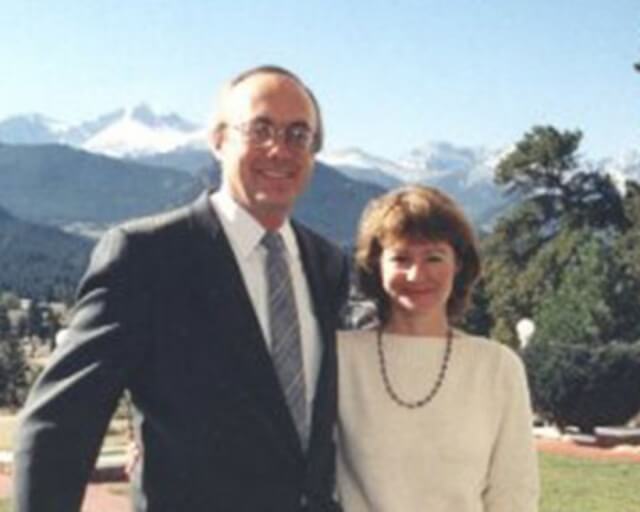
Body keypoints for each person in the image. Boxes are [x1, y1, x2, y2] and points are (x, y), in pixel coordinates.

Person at [13, 65, 349, 512]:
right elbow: (59, 423)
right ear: (218, 140)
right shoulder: (147, 256)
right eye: (260, 128)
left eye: (297, 135)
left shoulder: (327, 264)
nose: (279, 149)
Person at [336, 185, 539, 511]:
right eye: (401, 258)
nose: (417, 274)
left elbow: (513, 494)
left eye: (433, 257)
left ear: (458, 264)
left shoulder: (497, 367)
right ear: (377, 265)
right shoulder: (340, 358)